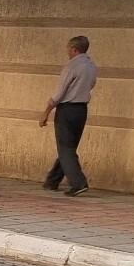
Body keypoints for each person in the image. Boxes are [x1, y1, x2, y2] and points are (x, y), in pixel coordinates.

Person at [40, 35, 98, 196]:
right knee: (69, 148)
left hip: (67, 109)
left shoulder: (72, 67)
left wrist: (46, 112)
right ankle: (52, 180)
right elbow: (92, 85)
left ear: (74, 49)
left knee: (65, 148)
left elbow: (60, 93)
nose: (67, 52)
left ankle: (78, 183)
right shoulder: (92, 66)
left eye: (68, 48)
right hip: (81, 110)